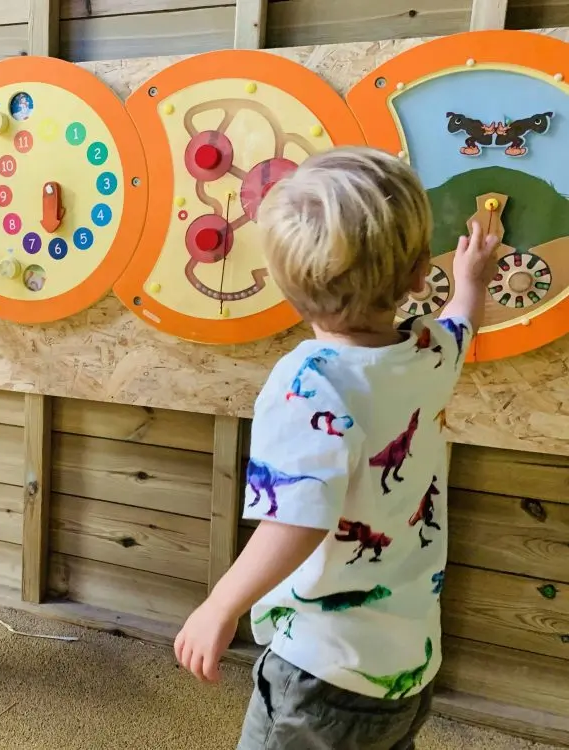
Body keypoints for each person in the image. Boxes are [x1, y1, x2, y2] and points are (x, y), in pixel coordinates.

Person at [173, 147, 498, 749]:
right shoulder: (430, 350)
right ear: (416, 277)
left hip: (321, 671)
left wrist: (221, 604)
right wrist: (472, 279)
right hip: (409, 661)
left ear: (288, 283)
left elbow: (295, 519)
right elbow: (462, 321)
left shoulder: (309, 382)